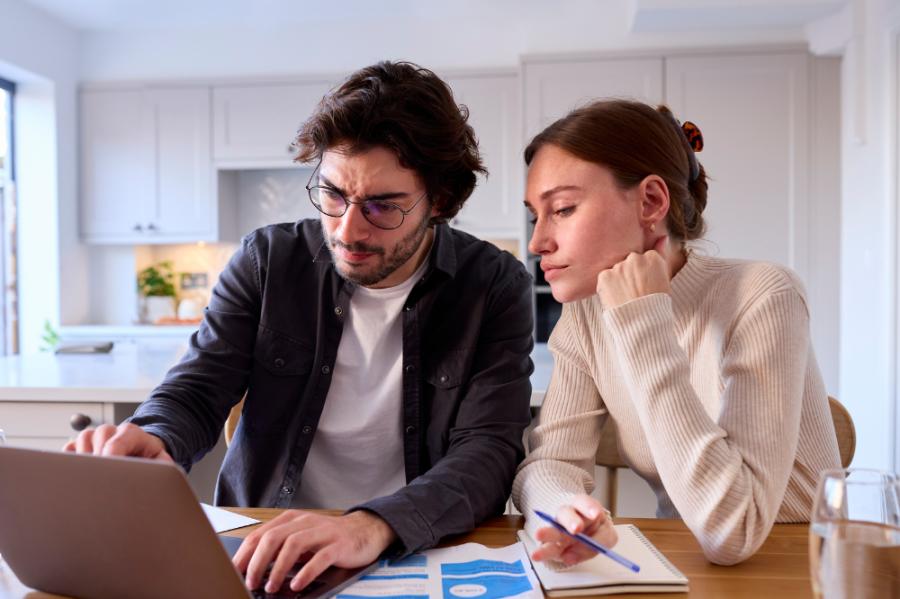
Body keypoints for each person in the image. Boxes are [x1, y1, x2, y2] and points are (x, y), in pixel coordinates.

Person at [65, 61, 534, 593]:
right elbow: (199, 385)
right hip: (263, 543)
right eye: (333, 194)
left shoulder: (492, 284)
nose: (347, 229)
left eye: (383, 206)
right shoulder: (267, 260)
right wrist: (155, 434)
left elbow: (489, 451)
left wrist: (371, 525)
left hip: (412, 549)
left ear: (441, 202)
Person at [512, 99, 841, 567]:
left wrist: (644, 318)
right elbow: (550, 462)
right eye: (534, 216)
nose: (537, 241)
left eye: (562, 209)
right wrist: (566, 511)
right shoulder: (586, 316)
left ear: (651, 201)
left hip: (794, 566)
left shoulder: (763, 295)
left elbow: (733, 530)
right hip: (686, 566)